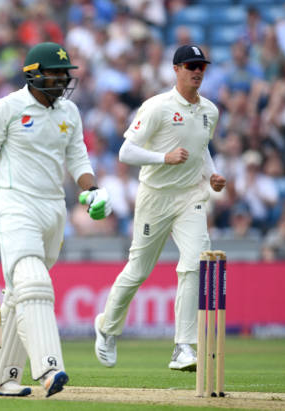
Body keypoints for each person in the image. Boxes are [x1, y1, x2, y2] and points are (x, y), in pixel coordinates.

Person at [0, 42, 112, 397]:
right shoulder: (9, 107)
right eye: (54, 72)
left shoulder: (69, 112)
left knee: (18, 294)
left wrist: (91, 190)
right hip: (15, 204)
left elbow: (78, 159)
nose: (61, 79)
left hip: (53, 209)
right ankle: (49, 367)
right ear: (33, 74)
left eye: (65, 73)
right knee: (33, 282)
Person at [93, 45, 226, 372]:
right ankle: (107, 328)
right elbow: (126, 152)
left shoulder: (210, 110)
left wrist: (212, 175)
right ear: (176, 69)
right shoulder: (157, 107)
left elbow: (201, 149)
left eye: (201, 67)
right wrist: (162, 158)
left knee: (195, 262)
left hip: (191, 196)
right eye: (191, 66)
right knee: (138, 269)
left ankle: (183, 346)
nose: (197, 72)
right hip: (156, 196)